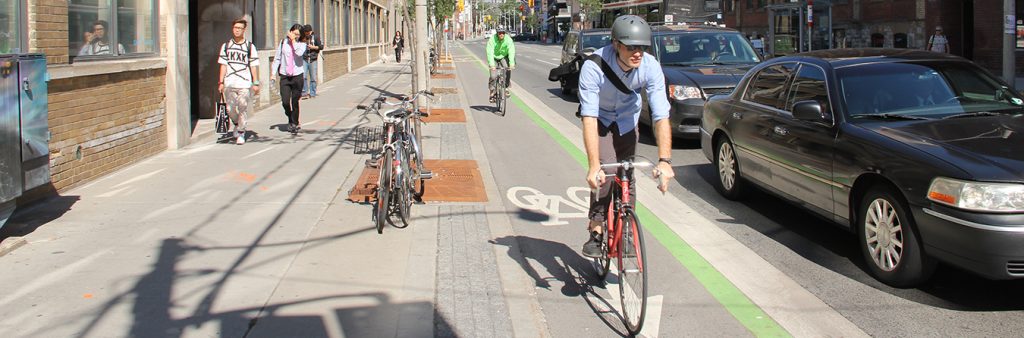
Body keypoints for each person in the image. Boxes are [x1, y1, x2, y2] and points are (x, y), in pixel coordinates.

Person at [578, 15, 675, 257]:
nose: (637, 53)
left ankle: (627, 231)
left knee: (627, 172)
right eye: (631, 46)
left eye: (642, 47)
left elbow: (661, 114)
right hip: (600, 119)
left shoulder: (650, 66)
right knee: (608, 171)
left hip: (627, 120)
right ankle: (597, 228)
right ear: (615, 44)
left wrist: (665, 161)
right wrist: (593, 167)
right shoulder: (594, 66)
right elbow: (588, 117)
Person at [218, 18, 261, 145]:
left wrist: (256, 82)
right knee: (230, 109)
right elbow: (223, 65)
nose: (237, 30)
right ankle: (237, 124)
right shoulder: (226, 46)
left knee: (242, 107)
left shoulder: (250, 47)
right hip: (230, 82)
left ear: (244, 30)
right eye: (235, 28)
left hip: (244, 83)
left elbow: (253, 65)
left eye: (239, 28)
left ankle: (241, 132)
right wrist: (220, 82)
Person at [271, 24, 308, 134]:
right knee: (285, 101)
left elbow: (298, 53)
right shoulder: (283, 43)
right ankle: (291, 117)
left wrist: (293, 41)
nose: (295, 36)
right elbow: (277, 58)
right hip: (285, 76)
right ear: (290, 32)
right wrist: (273, 73)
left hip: (297, 76)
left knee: (295, 101)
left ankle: (294, 123)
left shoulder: (302, 44)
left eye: (298, 34)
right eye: (294, 33)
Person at [485, 28, 516, 103]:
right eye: (499, 33)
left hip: (503, 57)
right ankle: (492, 92)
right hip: (494, 58)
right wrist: (492, 65)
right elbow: (489, 52)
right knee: (493, 76)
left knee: (507, 69)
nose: (501, 34)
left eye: (503, 33)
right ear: (497, 33)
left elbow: (511, 51)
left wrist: (512, 63)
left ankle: (506, 87)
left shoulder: (508, 39)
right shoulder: (492, 40)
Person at [301, 24, 323, 98]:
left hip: (313, 59)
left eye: (307, 32)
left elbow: (321, 47)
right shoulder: (302, 37)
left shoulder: (316, 37)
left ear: (310, 31)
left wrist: (313, 47)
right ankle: (304, 92)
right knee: (303, 76)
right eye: (305, 32)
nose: (306, 33)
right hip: (304, 59)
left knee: (313, 77)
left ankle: (312, 93)